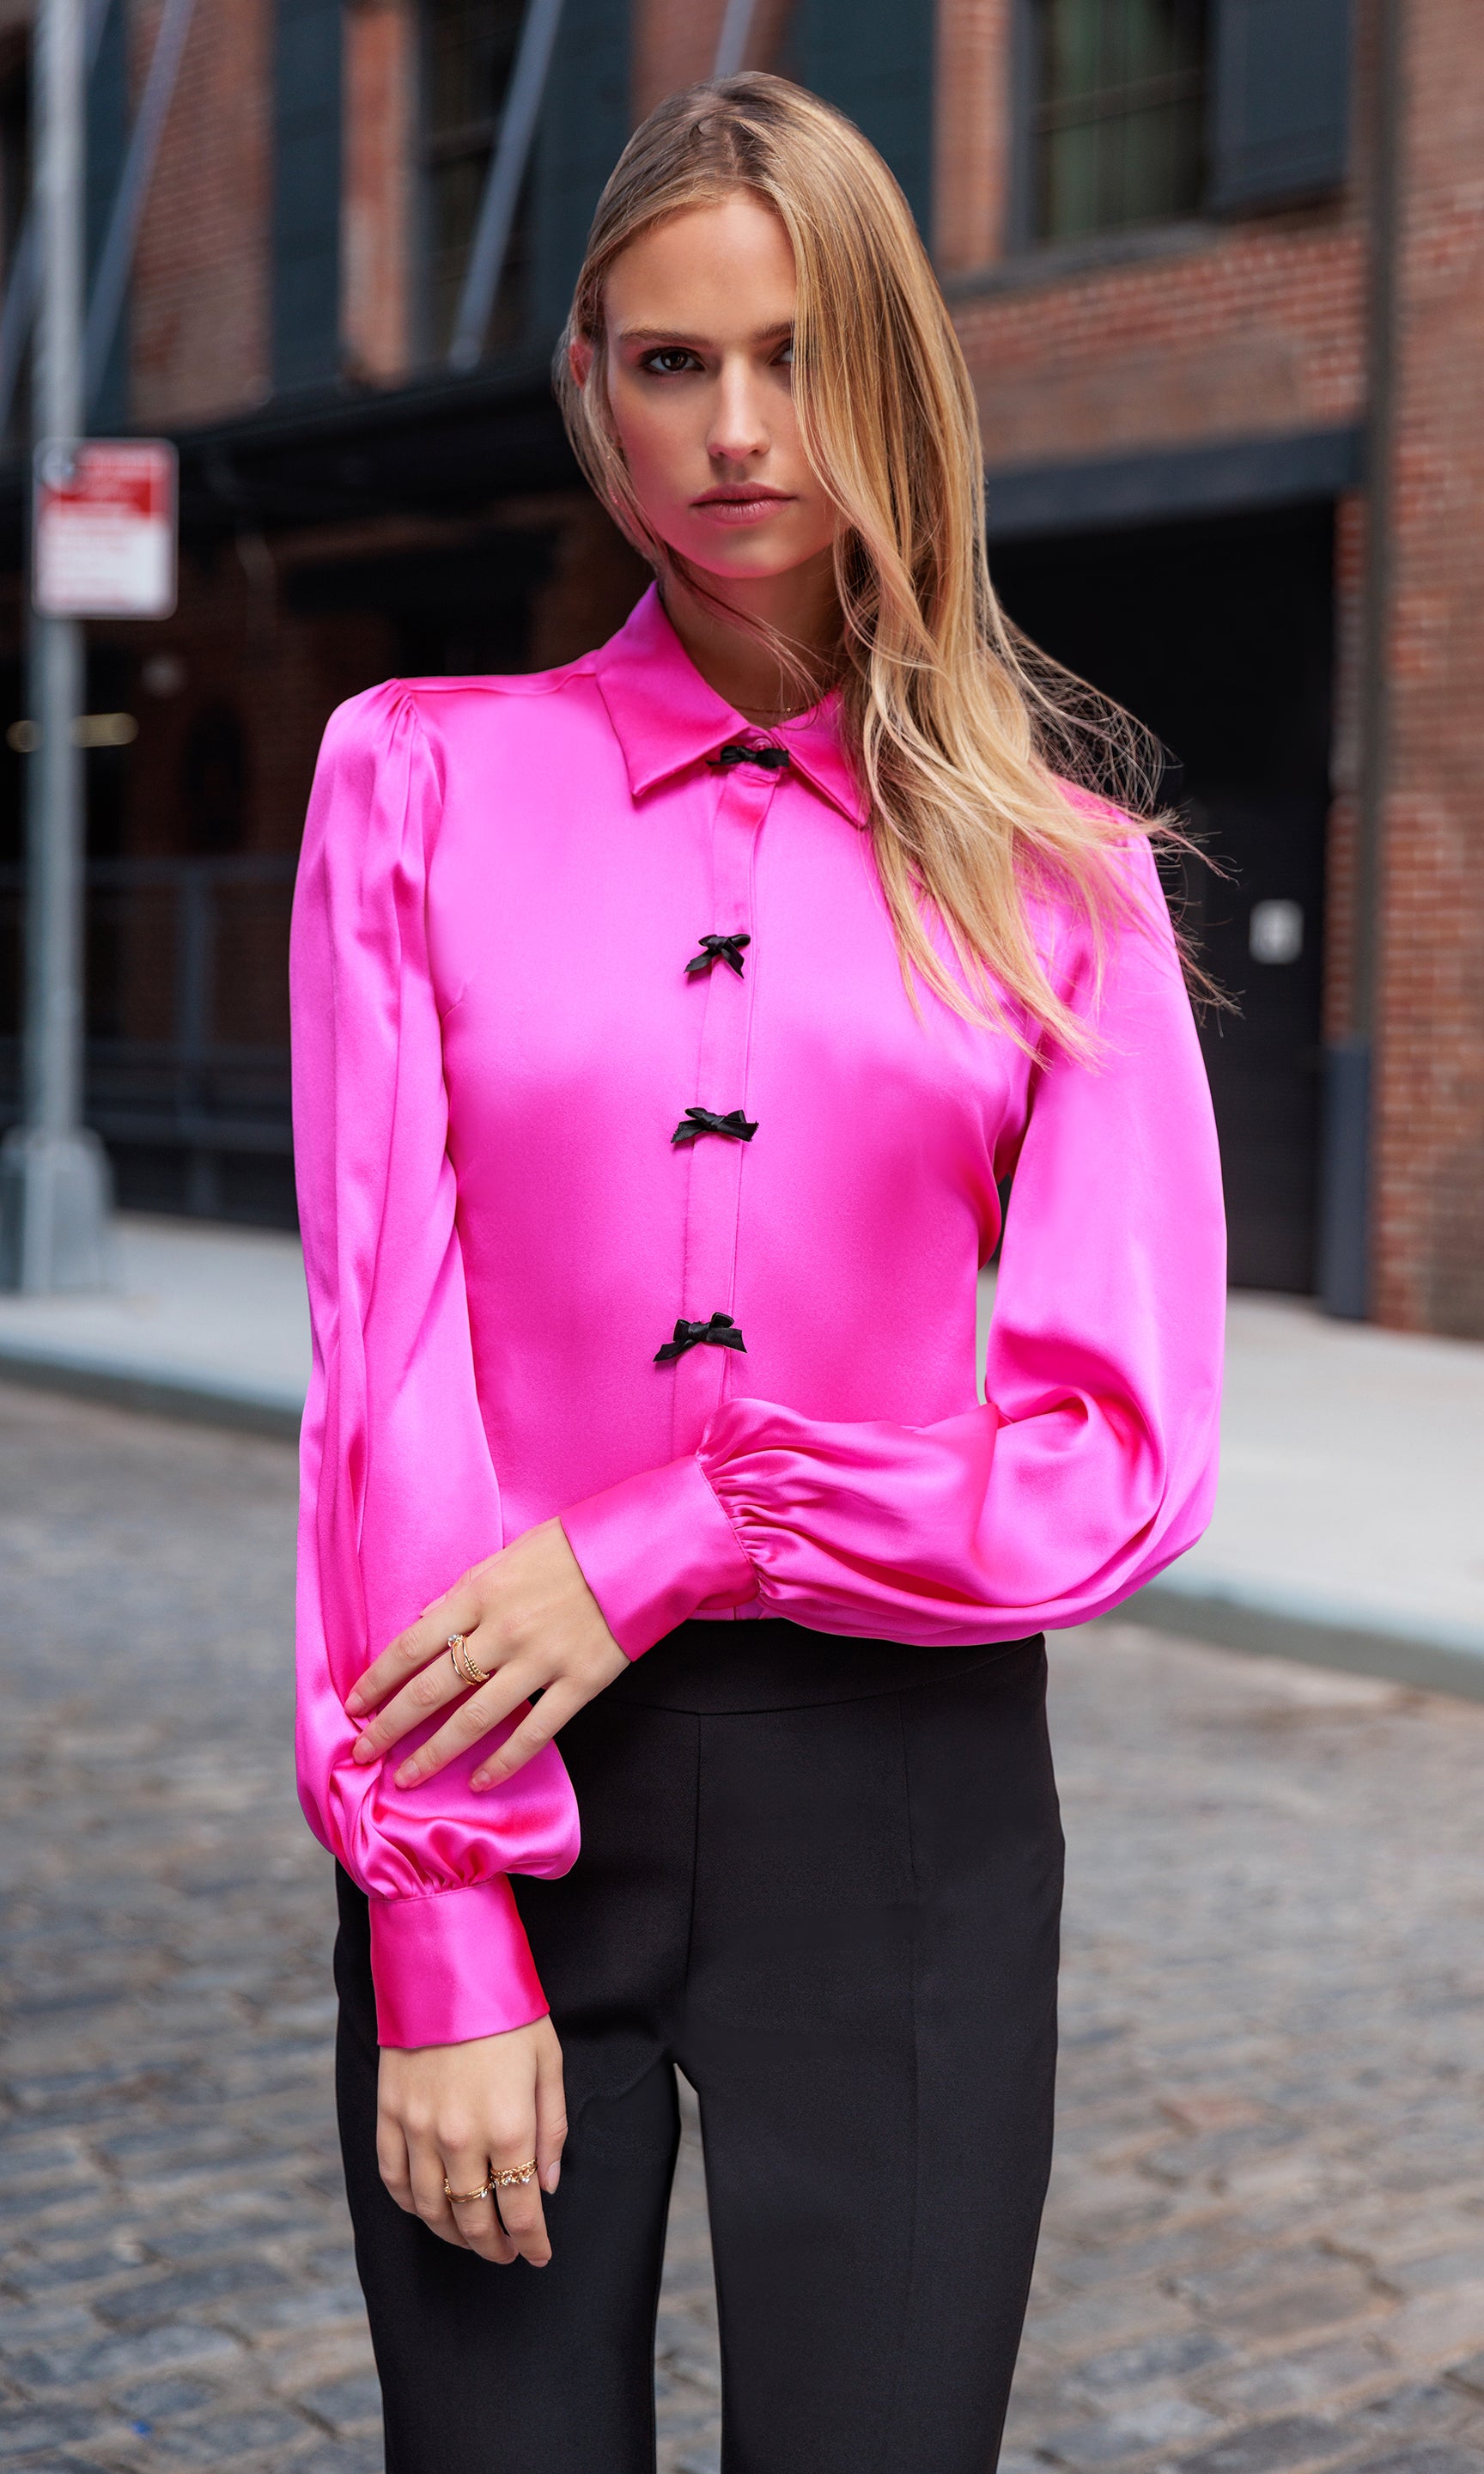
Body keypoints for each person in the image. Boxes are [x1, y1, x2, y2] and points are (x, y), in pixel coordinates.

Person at [290, 72, 1225, 2474]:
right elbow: (382, 1384)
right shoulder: (413, 783)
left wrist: (691, 1523)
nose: (733, 430)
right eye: (669, 362)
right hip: (500, 1779)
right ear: (590, 388)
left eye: (795, 355)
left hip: (902, 1819)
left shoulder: (1066, 876)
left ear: (894, 377)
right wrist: (435, 1925)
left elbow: (1115, 1455)